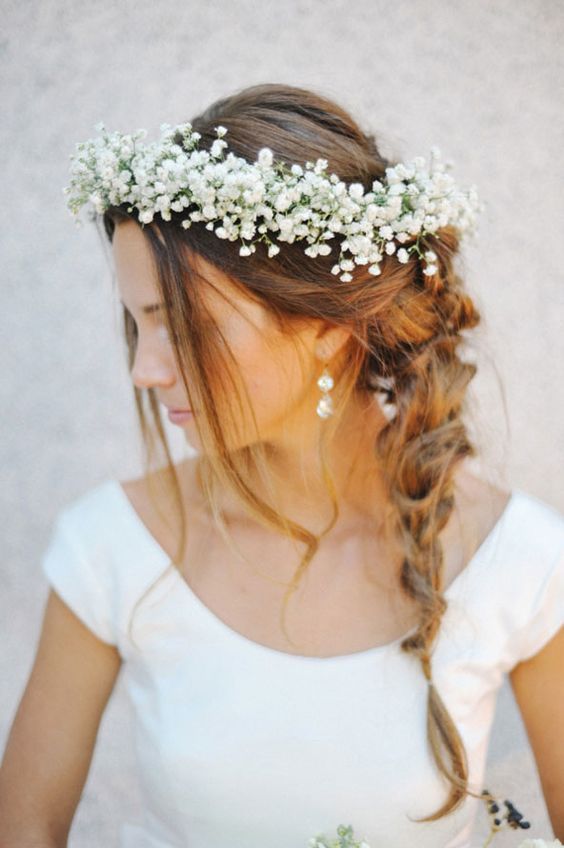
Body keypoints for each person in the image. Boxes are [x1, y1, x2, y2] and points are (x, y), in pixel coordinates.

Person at [0, 83, 562, 848]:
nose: (145, 371)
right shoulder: (111, 548)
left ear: (327, 327)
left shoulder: (518, 561)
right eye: (137, 326)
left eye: (184, 328)